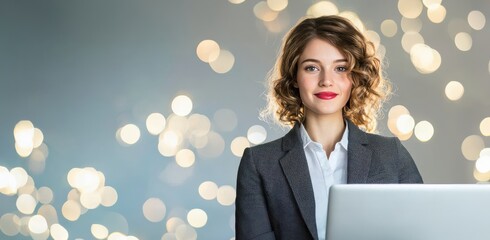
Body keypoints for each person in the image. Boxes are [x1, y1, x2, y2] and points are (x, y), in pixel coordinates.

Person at [235, 15, 423, 240]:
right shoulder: (260, 164)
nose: (326, 80)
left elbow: (422, 232)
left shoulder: (391, 155)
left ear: (355, 77)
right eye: (312, 68)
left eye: (341, 68)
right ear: (294, 76)